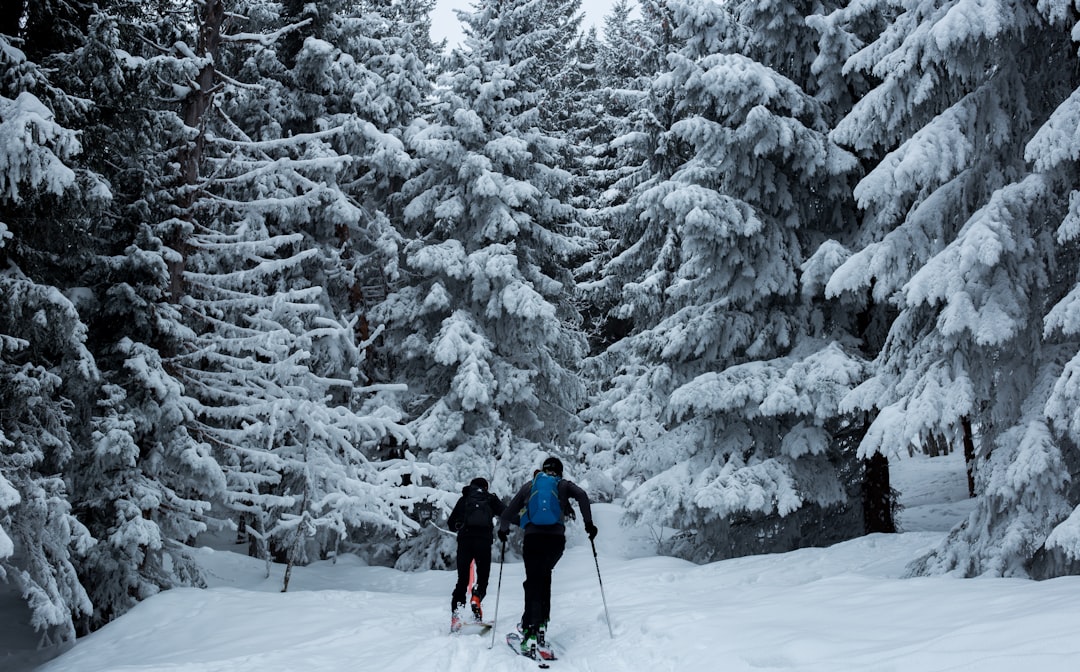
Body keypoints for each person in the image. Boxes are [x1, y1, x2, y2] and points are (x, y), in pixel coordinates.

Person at [498, 456, 597, 656]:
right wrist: (589, 524)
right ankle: (541, 627)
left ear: (543, 470)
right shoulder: (562, 485)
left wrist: (503, 530)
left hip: (533, 540)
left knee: (533, 582)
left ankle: (530, 633)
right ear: (560, 471)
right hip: (555, 542)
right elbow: (583, 495)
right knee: (545, 579)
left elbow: (508, 511)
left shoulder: (531, 486)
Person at [447, 477, 505, 631]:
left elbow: (451, 523)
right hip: (484, 542)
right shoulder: (490, 499)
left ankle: (456, 616)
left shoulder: (464, 499)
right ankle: (476, 597)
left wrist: (459, 524)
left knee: (462, 579)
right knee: (483, 576)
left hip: (465, 541)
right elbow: (506, 513)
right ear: (486, 486)